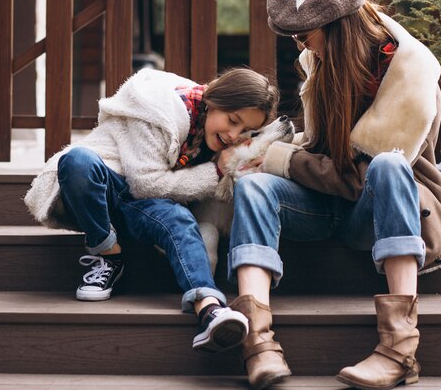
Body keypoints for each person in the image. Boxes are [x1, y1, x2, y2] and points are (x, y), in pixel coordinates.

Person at [225, 0, 441, 389]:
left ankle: (399, 350)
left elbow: (358, 180)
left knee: (388, 166)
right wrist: (265, 157)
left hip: (377, 209)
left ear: (337, 25)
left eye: (303, 35)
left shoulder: (409, 68)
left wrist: (277, 157)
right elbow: (321, 148)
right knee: (253, 186)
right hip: (326, 200)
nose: (298, 45)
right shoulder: (325, 59)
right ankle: (257, 342)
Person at [24, 67, 280, 353]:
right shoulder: (160, 108)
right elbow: (146, 183)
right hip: (106, 186)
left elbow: (155, 195)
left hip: (147, 207)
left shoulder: (213, 132)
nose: (234, 135)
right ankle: (108, 255)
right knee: (77, 160)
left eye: (244, 130)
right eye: (233, 120)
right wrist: (217, 171)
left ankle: (210, 309)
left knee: (180, 220)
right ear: (214, 99)